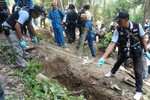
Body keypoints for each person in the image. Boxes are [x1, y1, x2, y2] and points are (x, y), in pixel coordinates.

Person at [97, 11, 150, 100]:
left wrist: (145, 50)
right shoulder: (118, 29)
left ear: (126, 19)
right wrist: (103, 57)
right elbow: (112, 43)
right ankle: (112, 72)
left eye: (119, 20)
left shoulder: (137, 26)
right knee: (118, 62)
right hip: (125, 50)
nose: (117, 22)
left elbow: (142, 38)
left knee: (138, 71)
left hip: (137, 51)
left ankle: (139, 91)